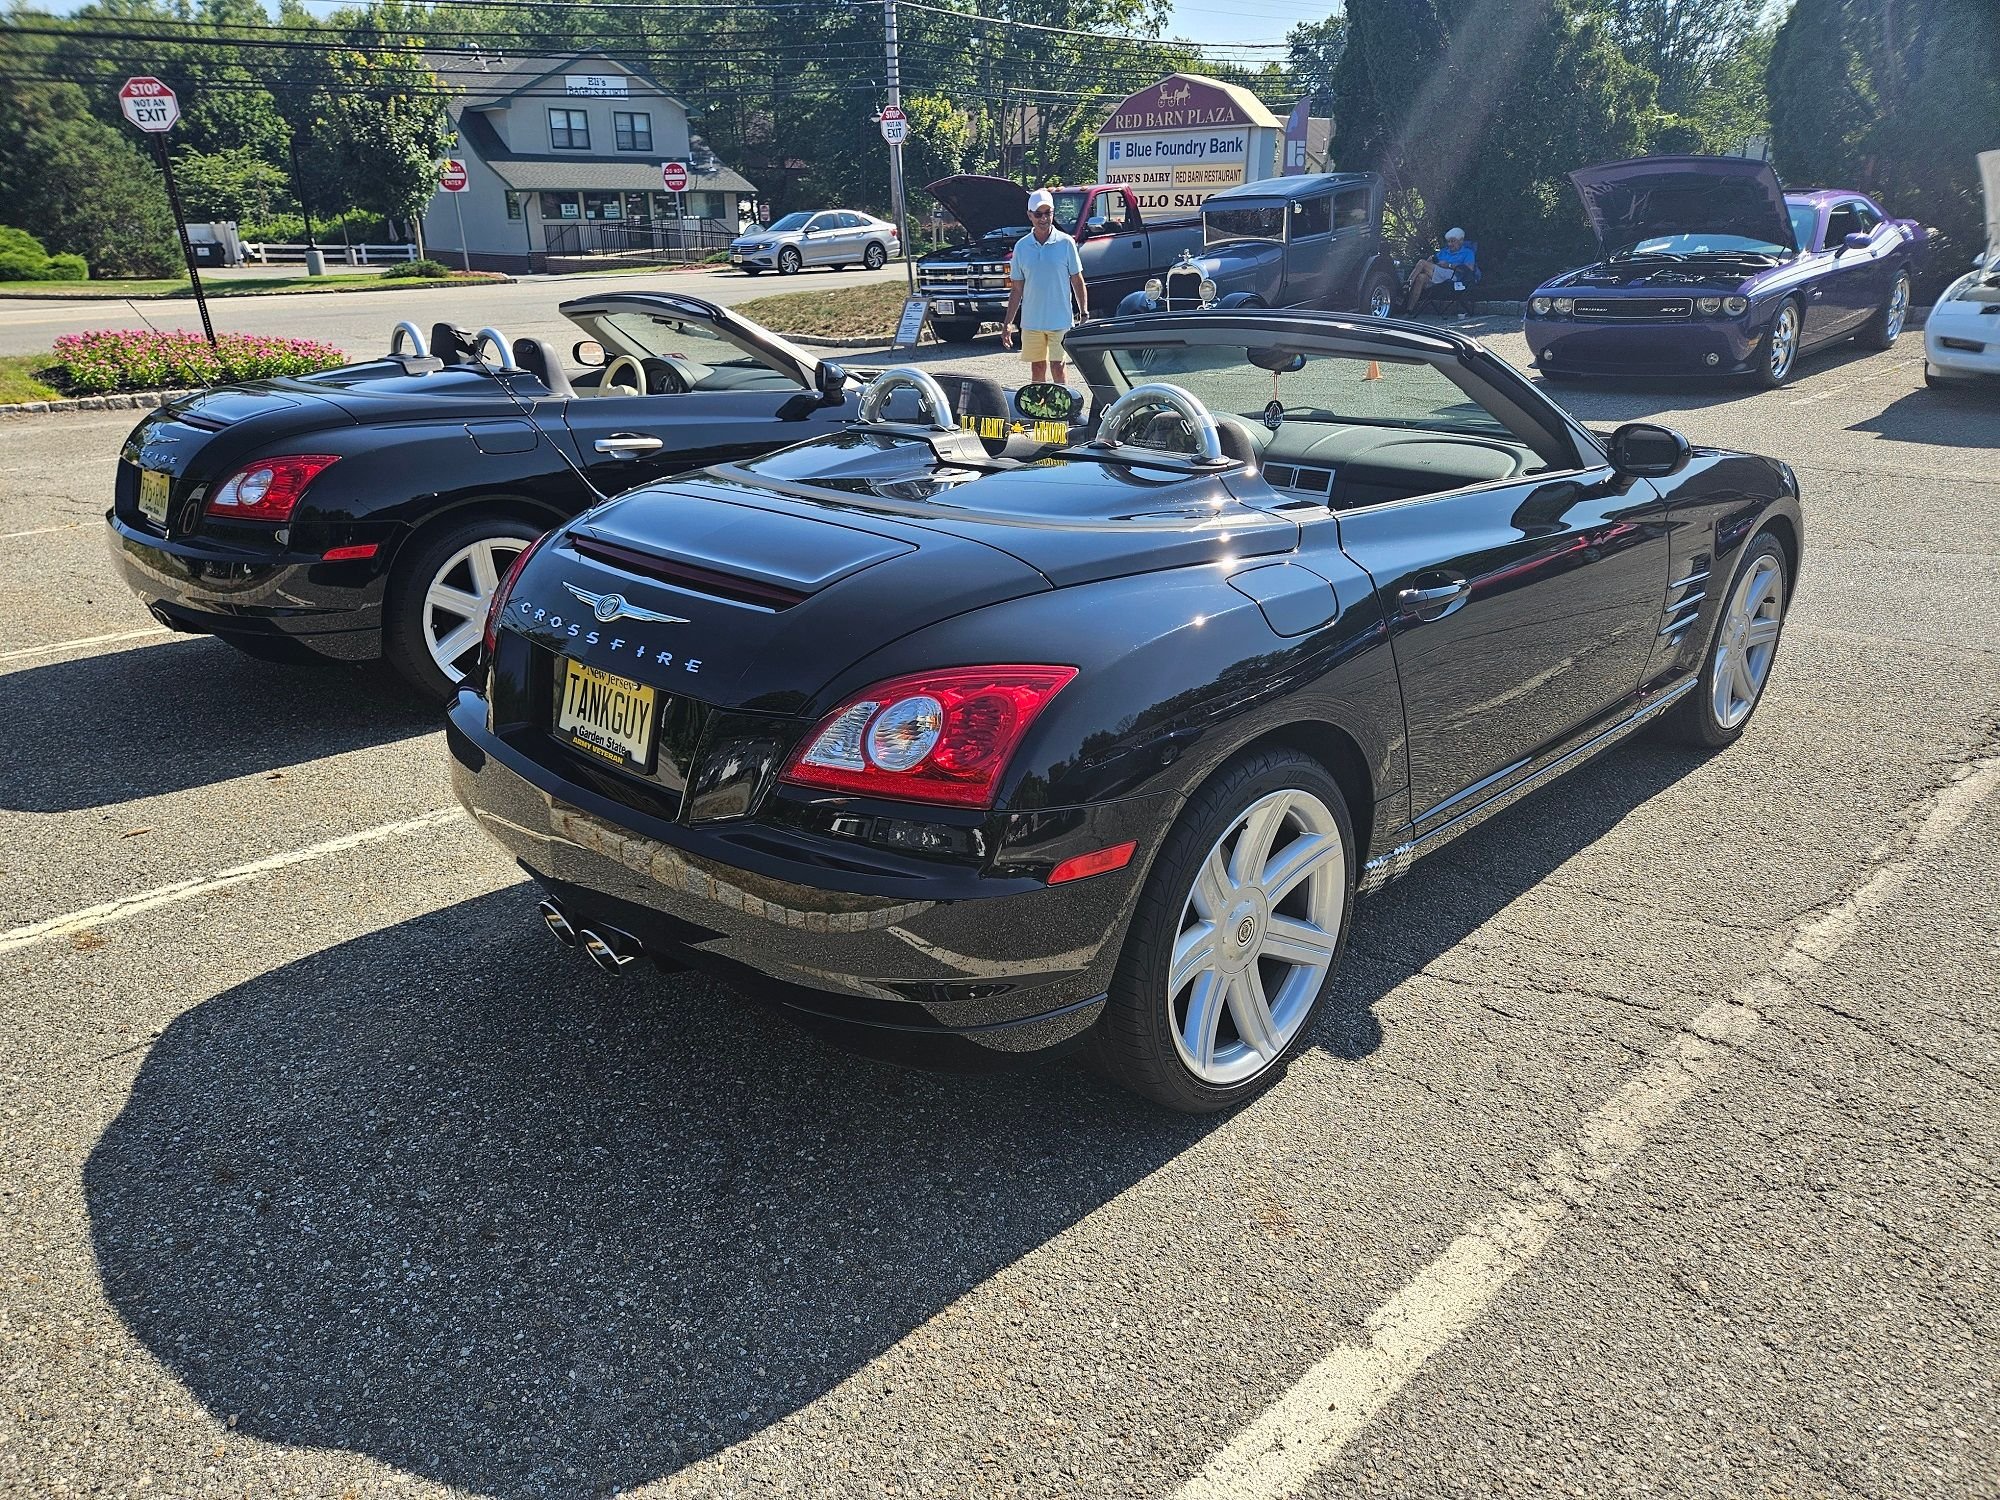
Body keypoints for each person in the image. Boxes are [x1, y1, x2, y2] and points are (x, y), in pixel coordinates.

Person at [1002, 188, 1088, 385]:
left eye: (1047, 213)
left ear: (1053, 213)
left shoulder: (1066, 243)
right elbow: (1016, 289)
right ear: (1030, 215)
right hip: (1032, 321)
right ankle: (1039, 405)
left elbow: (1077, 280)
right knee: (1038, 367)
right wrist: (1007, 323)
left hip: (1060, 319)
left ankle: (1062, 404)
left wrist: (1084, 313)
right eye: (1038, 214)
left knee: (1058, 366)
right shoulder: (1021, 247)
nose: (1043, 218)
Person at [1406, 227, 1478, 315]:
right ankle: (1409, 310)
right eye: (1448, 241)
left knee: (1421, 262)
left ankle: (1406, 287)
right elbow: (1431, 261)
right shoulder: (1444, 251)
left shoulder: (1467, 252)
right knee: (1421, 277)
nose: (1450, 244)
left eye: (1453, 241)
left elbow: (1469, 269)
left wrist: (1449, 265)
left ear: (1461, 241)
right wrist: (1431, 260)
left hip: (1453, 276)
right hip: (1438, 275)